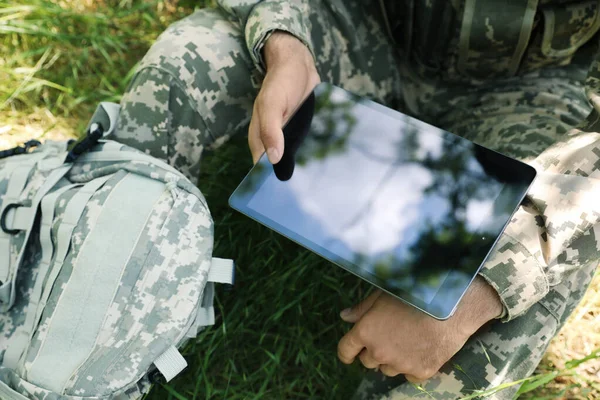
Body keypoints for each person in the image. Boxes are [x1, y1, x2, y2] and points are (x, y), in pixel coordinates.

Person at [113, 1, 600, 398]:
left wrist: (480, 287)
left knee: (520, 295)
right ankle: (93, 292)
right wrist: (285, 42)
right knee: (185, 61)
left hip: (540, 91)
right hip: (367, 27)